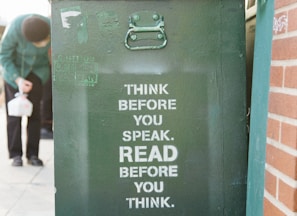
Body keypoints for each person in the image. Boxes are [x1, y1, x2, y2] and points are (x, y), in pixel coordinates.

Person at [0, 14, 51, 166]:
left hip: (38, 73)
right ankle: (16, 155)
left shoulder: (48, 26)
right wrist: (18, 79)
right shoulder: (13, 29)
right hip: (14, 73)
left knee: (35, 115)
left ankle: (33, 155)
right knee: (14, 116)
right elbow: (3, 56)